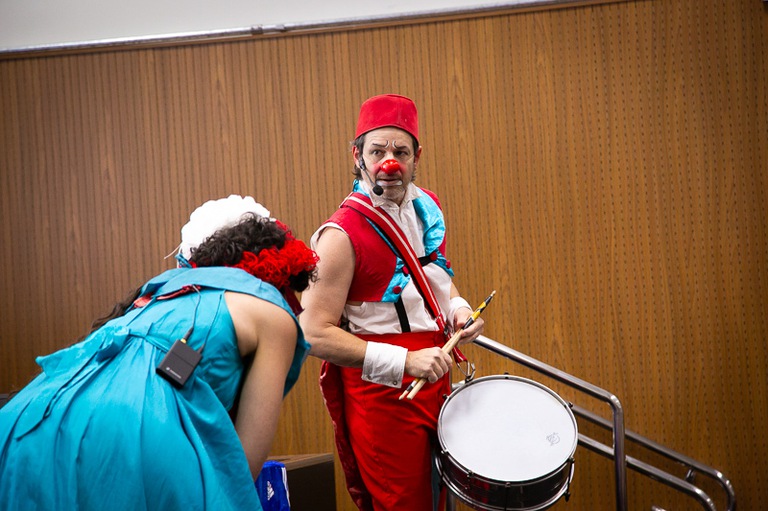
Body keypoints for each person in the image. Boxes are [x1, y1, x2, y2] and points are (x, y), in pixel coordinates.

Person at [0, 195, 318, 511]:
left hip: (25, 421)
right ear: (280, 273)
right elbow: (242, 467)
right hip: (135, 432)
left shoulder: (157, 295)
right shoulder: (272, 313)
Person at [300, 94, 484, 511]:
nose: (390, 162)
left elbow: (434, 280)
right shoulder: (340, 234)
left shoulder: (427, 208)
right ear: (357, 156)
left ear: (417, 156)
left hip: (436, 370)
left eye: (401, 152)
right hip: (382, 393)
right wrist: (405, 362)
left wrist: (459, 310)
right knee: (403, 504)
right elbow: (311, 332)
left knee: (442, 500)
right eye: (377, 151)